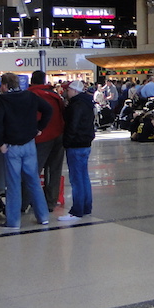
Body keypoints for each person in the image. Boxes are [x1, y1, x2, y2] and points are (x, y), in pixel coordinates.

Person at [0, 72, 53, 229]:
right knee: (33, 181)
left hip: (11, 146)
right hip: (29, 144)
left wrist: (0, 143)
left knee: (13, 184)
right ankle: (43, 216)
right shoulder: (30, 96)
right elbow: (48, 109)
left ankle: (13, 221)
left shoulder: (2, 100)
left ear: (5, 85)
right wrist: (39, 128)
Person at [28, 70, 65, 213]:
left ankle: (28, 201)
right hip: (58, 135)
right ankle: (51, 202)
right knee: (54, 170)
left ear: (32, 80)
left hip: (41, 137)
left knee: (33, 171)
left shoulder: (31, 94)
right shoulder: (54, 95)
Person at [59, 80, 95, 221]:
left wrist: (66, 142)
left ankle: (77, 211)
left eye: (68, 90)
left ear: (74, 91)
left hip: (76, 145)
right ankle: (86, 207)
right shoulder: (87, 103)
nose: (66, 92)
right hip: (85, 143)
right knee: (84, 177)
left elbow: (72, 125)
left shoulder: (76, 105)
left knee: (76, 179)